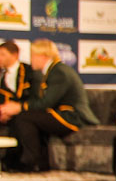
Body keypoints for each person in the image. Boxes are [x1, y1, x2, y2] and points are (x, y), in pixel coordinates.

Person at [7, 39, 99, 170]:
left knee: (24, 117)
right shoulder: (51, 71)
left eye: (33, 56)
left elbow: (46, 103)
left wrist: (20, 107)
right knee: (29, 117)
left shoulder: (59, 72)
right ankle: (37, 162)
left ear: (43, 56)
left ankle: (30, 161)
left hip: (72, 116)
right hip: (59, 113)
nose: (31, 60)